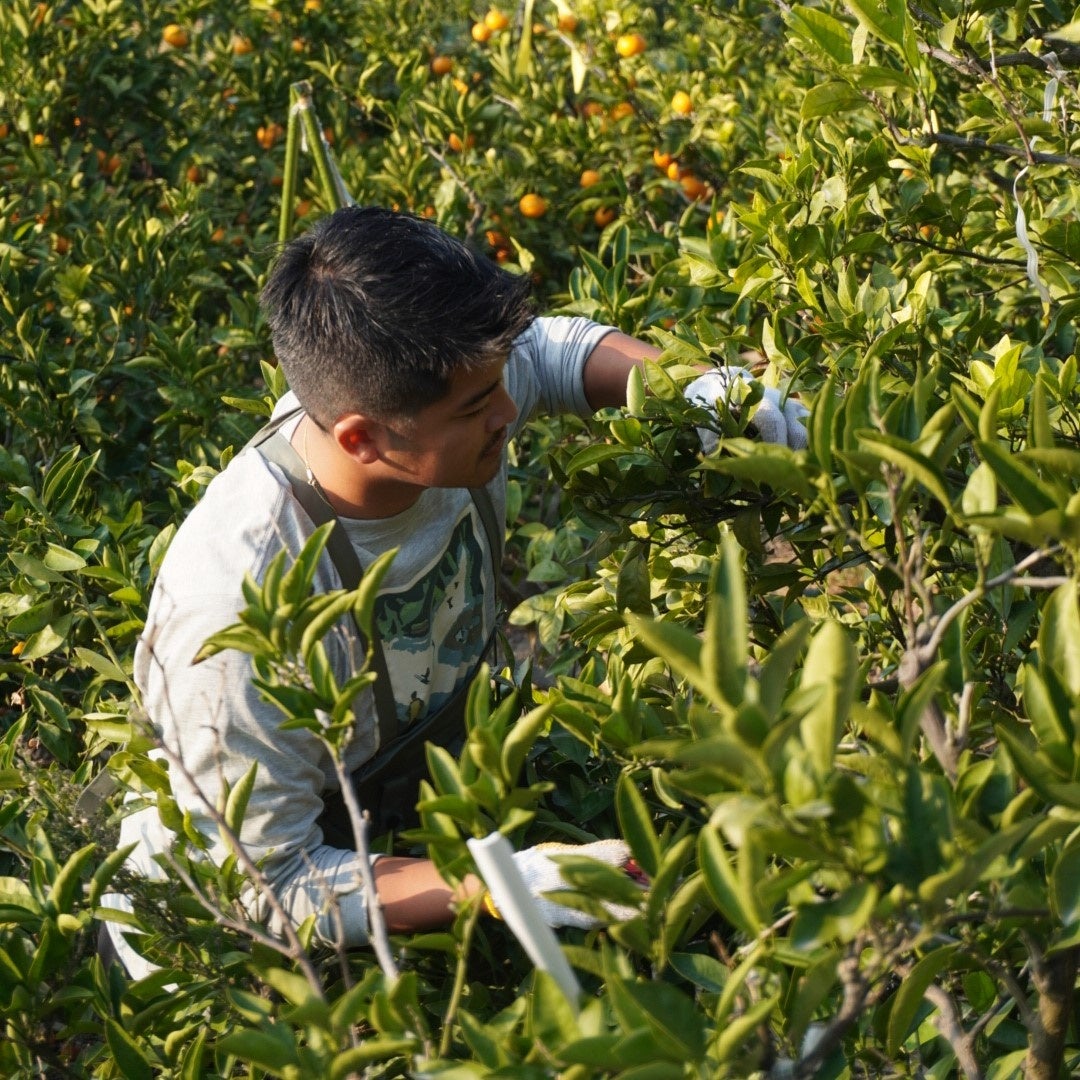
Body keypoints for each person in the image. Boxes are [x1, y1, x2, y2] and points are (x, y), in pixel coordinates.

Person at [101, 206, 806, 978]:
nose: (509, 412)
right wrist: (508, 885)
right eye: (477, 408)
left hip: (397, 828)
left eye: (498, 386)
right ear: (362, 439)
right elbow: (268, 883)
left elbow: (554, 351)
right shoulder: (241, 602)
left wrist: (700, 391)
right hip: (221, 948)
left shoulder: (442, 399)